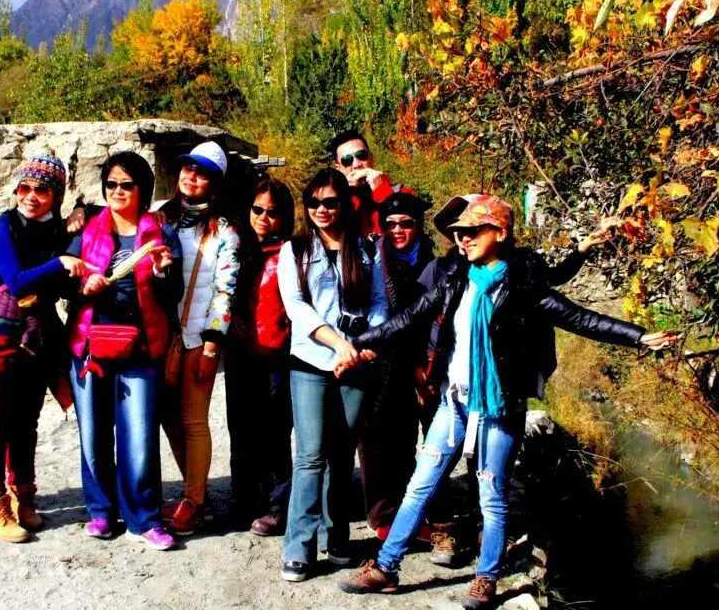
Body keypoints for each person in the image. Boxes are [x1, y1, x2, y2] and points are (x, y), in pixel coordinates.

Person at [337, 195, 678, 609]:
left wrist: (638, 336)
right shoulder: (455, 278)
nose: (462, 239)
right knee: (420, 485)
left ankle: (486, 578)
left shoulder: (523, 285)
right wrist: (357, 345)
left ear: (500, 233)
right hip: (454, 400)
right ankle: (386, 567)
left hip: (500, 405)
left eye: (471, 231)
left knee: (492, 493)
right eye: (459, 233)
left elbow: (578, 317)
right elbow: (408, 319)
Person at [0, 155, 90, 542]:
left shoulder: (58, 230)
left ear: (56, 196)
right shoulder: (4, 226)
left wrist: (82, 212)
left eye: (42, 190)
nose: (31, 196)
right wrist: (61, 262)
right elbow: (18, 281)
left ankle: (23, 496)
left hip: (36, 338)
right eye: (25, 187)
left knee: (26, 423)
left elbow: (95, 215)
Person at [277, 168, 389, 582]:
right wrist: (338, 345)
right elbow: (297, 306)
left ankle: (336, 535)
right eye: (313, 202)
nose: (321, 210)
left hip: (356, 362)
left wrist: (364, 343)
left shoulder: (366, 249)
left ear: (344, 204)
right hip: (311, 361)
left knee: (342, 454)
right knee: (310, 455)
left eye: (330, 202)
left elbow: (378, 302)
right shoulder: (295, 249)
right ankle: (298, 546)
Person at [68, 152, 183, 551]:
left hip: (141, 347)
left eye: (127, 185)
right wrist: (83, 287)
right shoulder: (87, 231)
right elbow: (64, 281)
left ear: (143, 190)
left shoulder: (160, 235)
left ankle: (144, 518)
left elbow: (173, 295)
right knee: (93, 432)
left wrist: (163, 270)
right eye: (111, 184)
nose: (118, 191)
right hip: (91, 345)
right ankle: (101, 511)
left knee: (139, 435)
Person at [156, 141, 240, 536]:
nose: (191, 176)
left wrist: (212, 344)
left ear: (214, 183)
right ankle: (197, 493)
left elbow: (225, 289)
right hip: (162, 336)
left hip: (198, 338)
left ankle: (193, 500)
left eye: (202, 173)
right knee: (168, 416)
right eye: (188, 168)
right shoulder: (160, 217)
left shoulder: (225, 230)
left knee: (193, 419)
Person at [357, 189, 437, 540]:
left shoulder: (433, 260)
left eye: (406, 224)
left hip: (424, 358)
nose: (397, 231)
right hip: (382, 356)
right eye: (390, 224)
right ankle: (383, 515)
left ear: (418, 226)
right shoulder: (373, 258)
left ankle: (415, 510)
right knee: (376, 438)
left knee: (410, 439)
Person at [225, 177, 295, 536]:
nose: (263, 217)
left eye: (272, 212)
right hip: (240, 351)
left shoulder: (291, 253)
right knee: (240, 428)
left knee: (275, 431)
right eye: (258, 209)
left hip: (277, 352)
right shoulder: (234, 247)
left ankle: (278, 506)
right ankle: (244, 500)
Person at [327, 130, 394, 237]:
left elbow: (402, 229)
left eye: (362, 155)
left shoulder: (400, 192)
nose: (357, 164)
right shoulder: (330, 202)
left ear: (371, 158)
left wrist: (381, 191)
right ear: (338, 168)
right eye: (347, 160)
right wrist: (348, 195)